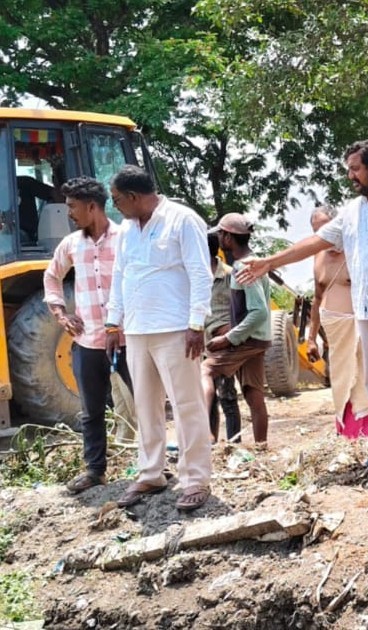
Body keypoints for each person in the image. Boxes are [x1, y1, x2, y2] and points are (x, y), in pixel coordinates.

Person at [237, 139, 368, 465]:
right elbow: (316, 241)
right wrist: (269, 262)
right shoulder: (352, 212)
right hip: (367, 311)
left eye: (355, 169)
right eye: (349, 170)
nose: (350, 176)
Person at [105, 165, 213, 511]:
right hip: (137, 330)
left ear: (133, 196)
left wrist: (196, 324)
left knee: (186, 405)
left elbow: (200, 273)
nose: (114, 206)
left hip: (176, 330)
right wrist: (112, 324)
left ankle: (195, 479)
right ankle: (151, 473)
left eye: (117, 200)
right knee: (145, 405)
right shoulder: (127, 230)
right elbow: (120, 275)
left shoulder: (183, 219)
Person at [43, 177, 132, 494]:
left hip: (128, 340)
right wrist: (60, 314)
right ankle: (95, 471)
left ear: (91, 206)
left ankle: (154, 466)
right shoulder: (71, 244)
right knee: (91, 411)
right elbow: (51, 276)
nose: (68, 213)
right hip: (88, 342)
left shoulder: (125, 239)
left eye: (72, 206)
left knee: (146, 405)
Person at [203, 213, 271, 445]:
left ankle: (203, 432)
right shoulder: (252, 262)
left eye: (221, 234)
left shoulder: (243, 267)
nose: (219, 239)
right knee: (253, 394)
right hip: (256, 339)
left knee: (205, 371)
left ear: (228, 237)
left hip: (246, 339)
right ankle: (261, 448)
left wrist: (229, 339)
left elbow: (259, 312)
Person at [307, 205, 368, 439]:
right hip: (335, 336)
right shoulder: (317, 257)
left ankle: (367, 437)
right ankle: (346, 437)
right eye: (317, 232)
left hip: (361, 333)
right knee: (341, 384)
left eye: (326, 229)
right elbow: (317, 298)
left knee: (362, 384)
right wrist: (311, 338)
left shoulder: (358, 251)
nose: (322, 236)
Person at [205, 232, 242, 443]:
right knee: (208, 398)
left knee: (227, 395)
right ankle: (211, 443)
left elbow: (240, 308)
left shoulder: (229, 274)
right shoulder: (195, 276)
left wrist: (230, 330)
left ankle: (234, 443)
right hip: (201, 344)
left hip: (224, 344)